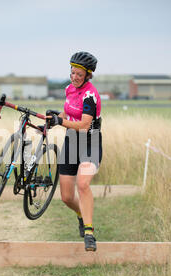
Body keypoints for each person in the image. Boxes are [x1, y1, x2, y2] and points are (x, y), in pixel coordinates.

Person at [47, 52, 102, 251]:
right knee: (67, 197)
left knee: (83, 183)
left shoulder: (90, 95)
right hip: (71, 140)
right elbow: (69, 112)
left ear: (88, 75)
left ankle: (89, 232)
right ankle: (81, 214)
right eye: (72, 73)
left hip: (90, 142)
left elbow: (85, 124)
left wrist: (60, 122)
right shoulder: (69, 89)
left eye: (79, 74)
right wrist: (54, 118)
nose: (75, 77)